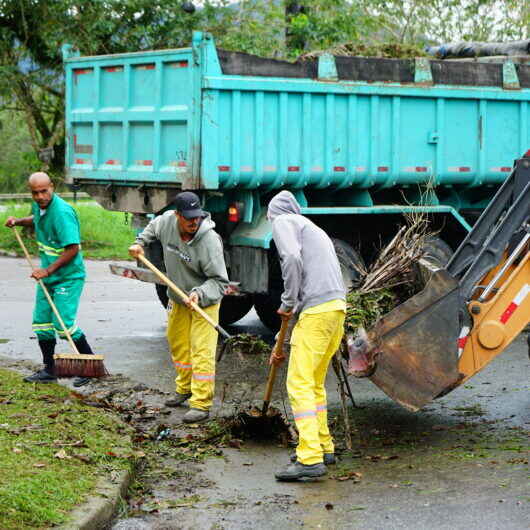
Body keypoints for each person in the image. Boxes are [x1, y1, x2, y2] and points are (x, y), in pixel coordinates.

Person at [129, 191, 228, 423]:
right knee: (178, 344)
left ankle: (201, 403)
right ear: (177, 215)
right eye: (188, 217)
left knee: (201, 351)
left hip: (204, 301)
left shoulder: (209, 241)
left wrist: (199, 293)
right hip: (177, 297)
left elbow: (220, 282)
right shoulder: (166, 223)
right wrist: (139, 243)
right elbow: (151, 229)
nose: (194, 222)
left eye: (197, 217)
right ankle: (184, 388)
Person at [267, 190, 346, 482]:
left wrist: (287, 301)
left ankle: (310, 458)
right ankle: (323, 446)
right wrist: (281, 336)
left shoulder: (284, 221)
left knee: (298, 384)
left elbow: (290, 258)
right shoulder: (314, 229)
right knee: (313, 384)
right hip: (335, 309)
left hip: (317, 312)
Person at [4, 172, 95, 386]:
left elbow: (73, 249)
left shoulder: (62, 213)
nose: (40, 196)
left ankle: (89, 367)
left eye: (44, 191)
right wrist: (18, 221)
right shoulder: (39, 206)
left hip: (68, 277)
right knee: (42, 324)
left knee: (63, 325)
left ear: (52, 187)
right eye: (35, 193)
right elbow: (36, 220)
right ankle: (50, 369)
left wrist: (48, 270)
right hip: (49, 275)